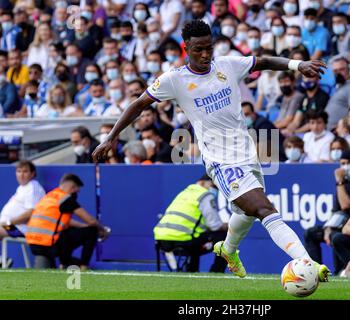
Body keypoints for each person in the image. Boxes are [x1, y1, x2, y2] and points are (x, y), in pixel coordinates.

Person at [93, 19, 330, 280]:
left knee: (245, 213)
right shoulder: (174, 79)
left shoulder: (227, 65)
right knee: (264, 209)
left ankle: (228, 250)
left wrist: (298, 65)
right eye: (198, 49)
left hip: (247, 154)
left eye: (209, 48)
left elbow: (261, 61)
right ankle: (307, 262)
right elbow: (138, 104)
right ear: (186, 48)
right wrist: (112, 137)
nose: (205, 54)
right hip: (220, 161)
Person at [25, 174, 109, 270]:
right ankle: (83, 266)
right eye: (77, 191)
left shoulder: (49, 196)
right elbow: (91, 220)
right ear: (72, 188)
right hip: (49, 244)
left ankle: (65, 262)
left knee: (69, 231)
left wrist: (83, 226)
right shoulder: (65, 199)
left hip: (33, 243)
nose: (76, 194)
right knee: (92, 231)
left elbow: (64, 222)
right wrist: (102, 230)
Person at [154, 174, 228, 272]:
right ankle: (216, 272)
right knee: (225, 235)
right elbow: (215, 225)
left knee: (196, 234)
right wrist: (229, 226)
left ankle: (192, 270)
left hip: (161, 241)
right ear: (202, 182)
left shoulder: (184, 193)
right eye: (214, 187)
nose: (216, 191)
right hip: (183, 241)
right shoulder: (205, 195)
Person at [304, 151, 350, 274]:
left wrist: (339, 182)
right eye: (342, 163)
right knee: (311, 233)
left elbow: (346, 205)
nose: (345, 167)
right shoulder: (343, 184)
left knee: (335, 236)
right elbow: (336, 211)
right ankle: (315, 271)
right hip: (339, 224)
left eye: (348, 163)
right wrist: (327, 228)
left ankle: (342, 271)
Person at [0, 161, 45, 241]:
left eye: (25, 171)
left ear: (32, 174)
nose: (21, 175)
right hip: (8, 225)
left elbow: (30, 213)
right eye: (19, 171)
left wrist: (8, 222)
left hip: (18, 228)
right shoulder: (22, 187)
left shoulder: (33, 187)